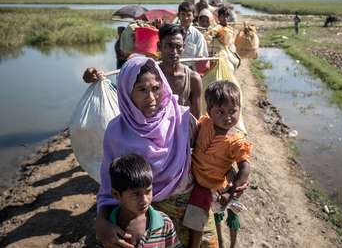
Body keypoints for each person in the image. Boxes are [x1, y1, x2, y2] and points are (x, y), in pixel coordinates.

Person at [95, 57, 225, 248]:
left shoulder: (182, 119)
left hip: (193, 205)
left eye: (156, 88)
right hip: (148, 216)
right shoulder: (116, 132)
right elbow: (109, 186)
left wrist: (232, 173)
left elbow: (209, 152)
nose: (151, 98)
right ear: (126, 92)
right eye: (141, 90)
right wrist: (102, 222)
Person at [182, 81, 252, 248]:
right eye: (220, 111)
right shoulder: (205, 123)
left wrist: (232, 190)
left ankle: (195, 245)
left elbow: (245, 167)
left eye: (233, 111)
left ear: (240, 110)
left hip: (210, 185)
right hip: (193, 175)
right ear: (209, 112)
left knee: (197, 214)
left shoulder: (236, 141)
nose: (227, 117)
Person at [82, 24, 203, 119]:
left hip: (182, 137)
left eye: (178, 46)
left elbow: (196, 117)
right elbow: (123, 85)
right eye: (169, 46)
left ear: (184, 46)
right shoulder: (148, 73)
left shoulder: (193, 78)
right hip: (154, 136)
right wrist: (93, 75)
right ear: (159, 46)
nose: (174, 52)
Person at [106, 153, 181, 248]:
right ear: (116, 194)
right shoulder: (108, 229)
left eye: (148, 191)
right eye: (136, 194)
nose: (145, 200)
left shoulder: (164, 223)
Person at [177, 1, 210, 73]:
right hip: (171, 70)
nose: (185, 18)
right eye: (183, 14)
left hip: (189, 72)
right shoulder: (172, 33)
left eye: (188, 15)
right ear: (178, 15)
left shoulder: (198, 36)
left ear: (193, 16)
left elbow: (201, 60)